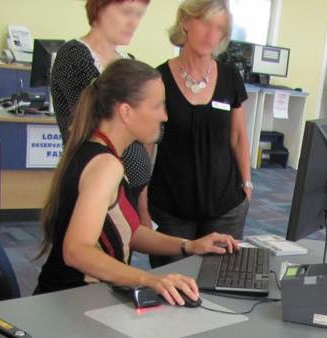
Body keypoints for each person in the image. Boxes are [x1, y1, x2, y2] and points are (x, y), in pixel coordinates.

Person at [34, 59, 238, 302]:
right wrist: (148, 279)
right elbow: (76, 250)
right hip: (71, 303)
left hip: (81, 299)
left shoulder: (100, 153)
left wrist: (189, 245)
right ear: (126, 112)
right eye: (157, 106)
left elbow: (128, 233)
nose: (164, 116)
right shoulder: (105, 166)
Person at [148, 0, 252, 270]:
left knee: (220, 284)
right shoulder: (158, 79)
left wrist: (247, 185)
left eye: (219, 28)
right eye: (205, 23)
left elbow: (239, 135)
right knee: (173, 287)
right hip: (172, 207)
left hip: (226, 206)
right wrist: (141, 199)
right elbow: (147, 145)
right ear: (185, 22)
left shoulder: (230, 77)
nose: (211, 35)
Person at [50, 0, 154, 223]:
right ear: (99, 9)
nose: (133, 22)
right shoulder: (75, 55)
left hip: (130, 189)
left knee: (119, 253)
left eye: (139, 15)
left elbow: (146, 132)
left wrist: (143, 198)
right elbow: (98, 123)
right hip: (95, 183)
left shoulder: (128, 62)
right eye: (126, 12)